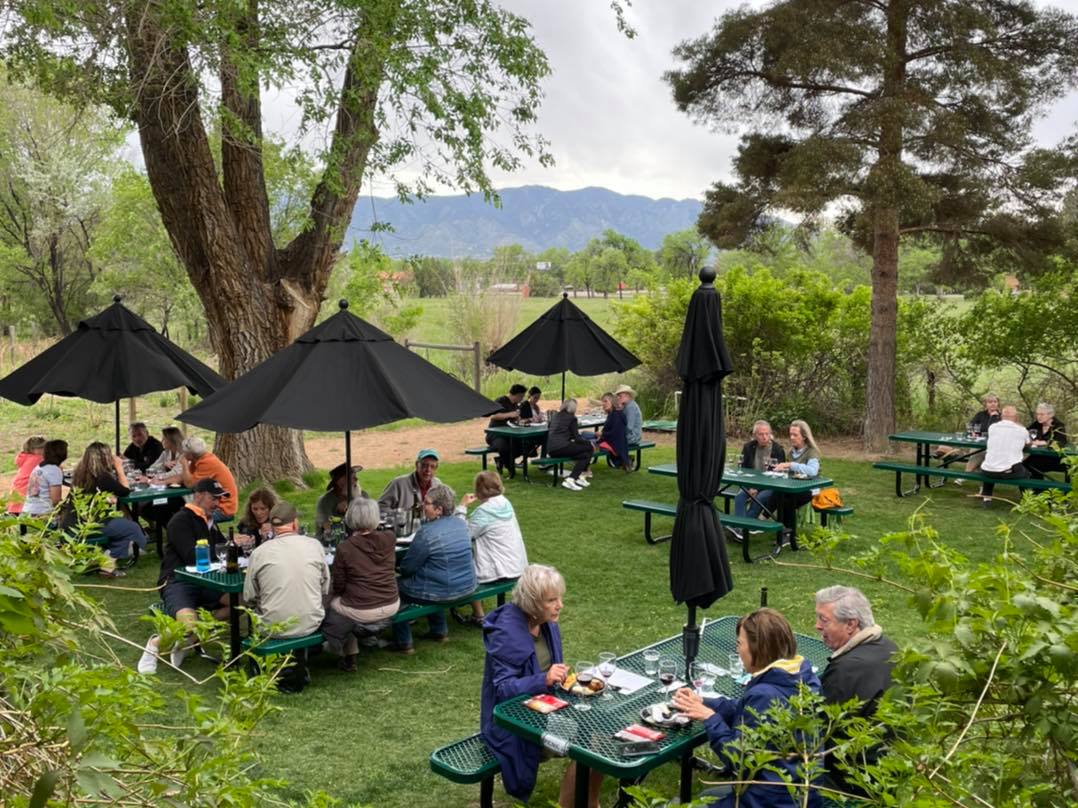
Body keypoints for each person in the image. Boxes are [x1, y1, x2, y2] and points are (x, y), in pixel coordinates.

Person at [673, 608, 823, 808]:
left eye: (739, 643)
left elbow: (738, 758)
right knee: (709, 794)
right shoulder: (798, 676)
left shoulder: (765, 693)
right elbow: (747, 710)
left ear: (758, 648)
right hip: (802, 795)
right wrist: (704, 703)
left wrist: (711, 719)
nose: (737, 650)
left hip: (768, 801)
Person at [480, 564, 602, 808]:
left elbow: (551, 671)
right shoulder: (506, 633)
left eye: (560, 598)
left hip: (545, 708)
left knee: (601, 733)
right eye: (552, 600)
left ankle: (589, 802)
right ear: (533, 602)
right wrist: (543, 680)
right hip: (514, 724)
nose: (560, 605)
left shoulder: (546, 623)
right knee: (594, 745)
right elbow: (503, 690)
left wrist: (565, 681)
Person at [136, 478, 229, 674]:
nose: (217, 504)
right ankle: (154, 645)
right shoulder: (180, 520)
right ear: (198, 496)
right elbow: (191, 556)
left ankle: (188, 641)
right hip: (178, 580)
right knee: (188, 621)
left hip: (207, 580)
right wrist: (226, 547)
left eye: (220, 500)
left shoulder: (210, 520)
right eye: (214, 498)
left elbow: (220, 549)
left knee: (242, 602)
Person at [814, 585, 898, 796]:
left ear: (851, 624)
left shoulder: (846, 670)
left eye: (824, 620)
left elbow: (815, 728)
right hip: (891, 769)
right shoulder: (890, 647)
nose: (817, 626)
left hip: (849, 781)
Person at [391, 483, 476, 654]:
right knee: (433, 578)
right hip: (467, 586)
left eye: (427, 503)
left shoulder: (426, 533)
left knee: (393, 586)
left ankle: (404, 642)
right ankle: (439, 631)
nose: (423, 505)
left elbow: (408, 568)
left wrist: (396, 566)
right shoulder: (461, 524)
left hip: (444, 591)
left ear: (438, 509)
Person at [322, 498, 399, 672]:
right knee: (347, 602)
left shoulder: (345, 547)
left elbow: (339, 585)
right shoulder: (389, 538)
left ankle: (342, 650)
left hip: (363, 609)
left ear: (350, 518)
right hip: (391, 602)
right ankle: (350, 651)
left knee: (330, 602)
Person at [59, 441, 147, 577]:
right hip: (88, 524)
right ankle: (108, 565)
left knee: (121, 526)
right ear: (104, 457)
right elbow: (125, 491)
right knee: (132, 528)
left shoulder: (81, 473)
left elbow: (92, 493)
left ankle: (106, 561)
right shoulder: (102, 476)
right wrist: (119, 468)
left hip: (71, 522)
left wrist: (107, 497)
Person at [244, 501, 330, 638]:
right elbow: (325, 587)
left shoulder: (259, 553)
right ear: (295, 523)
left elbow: (249, 597)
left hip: (271, 628)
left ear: (272, 527)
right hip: (311, 624)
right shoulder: (315, 545)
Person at [454, 471, 528, 625]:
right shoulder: (505, 502)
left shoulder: (484, 511)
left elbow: (461, 535)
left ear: (479, 490)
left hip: (498, 570)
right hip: (517, 565)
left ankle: (479, 615)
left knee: (462, 563)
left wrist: (461, 507)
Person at [731, 420, 787, 532]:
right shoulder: (748, 447)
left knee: (760, 498)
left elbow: (777, 476)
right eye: (761, 434)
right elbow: (743, 470)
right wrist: (751, 486)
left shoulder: (778, 450)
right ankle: (741, 529)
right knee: (739, 497)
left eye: (767, 434)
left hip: (770, 486)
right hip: (750, 484)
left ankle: (739, 528)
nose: (765, 437)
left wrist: (757, 488)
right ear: (755, 435)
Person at [771, 420, 821, 533]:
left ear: (804, 436)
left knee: (787, 502)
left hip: (809, 489)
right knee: (778, 493)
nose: (792, 437)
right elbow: (791, 472)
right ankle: (782, 531)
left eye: (795, 435)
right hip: (793, 486)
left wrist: (790, 465)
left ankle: (786, 533)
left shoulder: (811, 452)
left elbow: (812, 471)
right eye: (790, 434)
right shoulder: (791, 452)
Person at [980, 405, 1030, 506]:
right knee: (1026, 473)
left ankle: (986, 498)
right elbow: (1028, 443)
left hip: (986, 471)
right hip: (1007, 472)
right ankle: (1026, 500)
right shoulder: (1022, 430)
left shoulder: (992, 427)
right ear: (1016, 417)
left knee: (992, 462)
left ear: (1001, 416)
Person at [179, 436, 238, 520]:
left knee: (188, 519)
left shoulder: (207, 462)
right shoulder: (198, 459)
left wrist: (184, 464)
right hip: (209, 503)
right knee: (176, 509)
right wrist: (162, 481)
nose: (183, 454)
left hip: (222, 509)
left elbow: (189, 484)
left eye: (184, 452)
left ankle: (201, 532)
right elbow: (184, 477)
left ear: (190, 455)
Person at [547, 399, 594, 491]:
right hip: (562, 447)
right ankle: (575, 477)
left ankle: (575, 477)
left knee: (584, 455)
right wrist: (589, 443)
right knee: (589, 448)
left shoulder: (556, 416)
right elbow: (577, 437)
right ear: (573, 408)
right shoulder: (572, 418)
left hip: (552, 450)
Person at [378, 448, 442, 512]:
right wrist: (399, 516)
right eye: (424, 465)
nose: (428, 470)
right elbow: (381, 506)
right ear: (417, 465)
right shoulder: (398, 484)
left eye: (432, 466)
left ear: (436, 468)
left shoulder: (437, 485)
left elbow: (443, 507)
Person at [957, 393, 1002, 479]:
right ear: (985, 404)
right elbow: (971, 425)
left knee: (981, 455)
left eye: (995, 402)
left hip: (995, 445)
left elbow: (995, 430)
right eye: (990, 402)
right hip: (979, 442)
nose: (993, 404)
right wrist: (972, 432)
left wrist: (993, 417)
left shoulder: (1001, 416)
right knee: (977, 451)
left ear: (998, 403)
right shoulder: (981, 414)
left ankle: (965, 475)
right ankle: (980, 484)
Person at [316, 463, 366, 540]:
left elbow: (371, 521)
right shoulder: (325, 501)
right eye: (353, 477)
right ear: (341, 483)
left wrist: (356, 502)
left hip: (360, 540)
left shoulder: (362, 495)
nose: (357, 479)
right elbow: (328, 528)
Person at [486, 383, 527, 476]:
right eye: (522, 396)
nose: (522, 399)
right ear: (517, 395)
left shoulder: (516, 405)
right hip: (495, 434)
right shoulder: (501, 400)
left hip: (509, 434)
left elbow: (514, 419)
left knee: (523, 445)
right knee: (503, 447)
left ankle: (501, 461)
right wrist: (509, 414)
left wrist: (519, 419)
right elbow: (493, 415)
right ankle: (510, 469)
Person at [22, 439, 68, 518]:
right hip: (43, 513)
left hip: (28, 511)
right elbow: (56, 500)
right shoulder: (54, 470)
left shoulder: (39, 467)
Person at [1024, 402, 1068, 479]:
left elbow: (1061, 442)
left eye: (1041, 414)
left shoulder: (1059, 425)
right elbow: (1025, 433)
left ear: (1050, 415)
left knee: (1031, 466)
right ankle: (1038, 490)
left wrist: (1042, 442)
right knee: (1023, 466)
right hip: (1039, 455)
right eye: (1037, 414)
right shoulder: (1037, 424)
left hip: (1055, 458)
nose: (1038, 417)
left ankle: (1040, 489)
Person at [6, 435, 45, 515]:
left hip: (17, 486)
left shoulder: (24, 457)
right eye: (40, 448)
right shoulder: (39, 458)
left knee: (16, 511)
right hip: (28, 487)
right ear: (31, 449)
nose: (43, 450)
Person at [594, 391, 630, 470]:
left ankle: (584, 467)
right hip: (618, 442)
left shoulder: (616, 415)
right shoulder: (615, 413)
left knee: (587, 441)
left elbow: (614, 434)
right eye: (602, 401)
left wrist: (601, 435)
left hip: (615, 444)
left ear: (612, 402)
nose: (603, 404)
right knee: (586, 435)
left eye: (606, 401)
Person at [615, 384, 642, 452]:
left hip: (633, 437)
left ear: (627, 395)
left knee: (610, 439)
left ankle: (625, 459)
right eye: (618, 395)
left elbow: (629, 427)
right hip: (630, 436)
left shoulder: (631, 407)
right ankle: (621, 459)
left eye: (620, 395)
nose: (618, 397)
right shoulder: (627, 405)